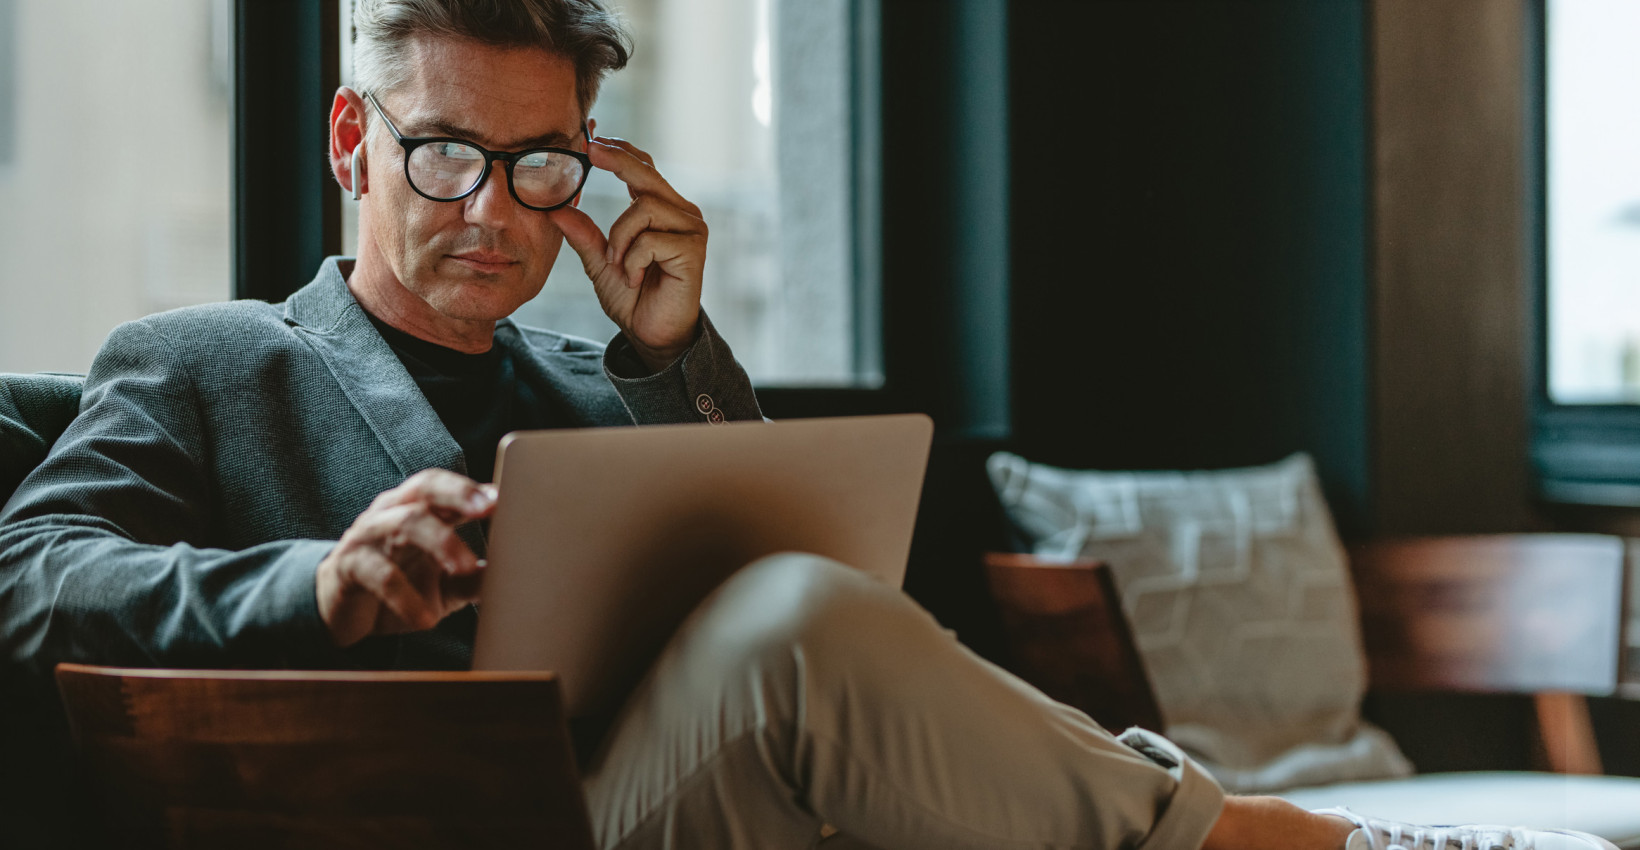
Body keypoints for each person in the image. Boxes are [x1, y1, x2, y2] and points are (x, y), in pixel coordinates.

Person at [0, 2, 1616, 849]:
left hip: (676, 804)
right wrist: (319, 582)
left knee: (814, 623)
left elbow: (824, 598)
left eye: (539, 161)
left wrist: (672, 344)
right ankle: (1279, 841)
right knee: (793, 628)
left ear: (591, 157)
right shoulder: (204, 358)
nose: (491, 209)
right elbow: (31, 574)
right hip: (400, 819)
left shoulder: (600, 385)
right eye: (441, 155)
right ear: (350, 136)